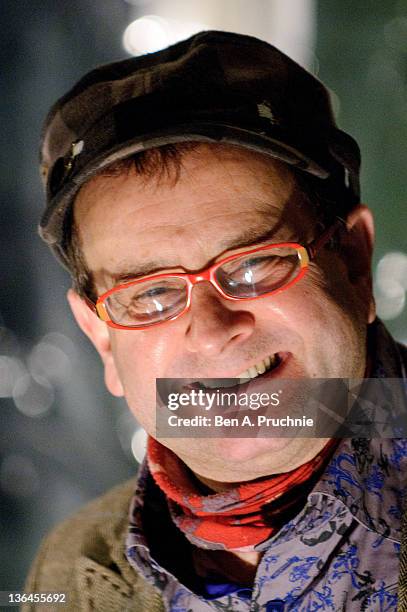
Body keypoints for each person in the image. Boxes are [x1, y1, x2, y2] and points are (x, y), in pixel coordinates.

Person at [24, 31, 407, 611]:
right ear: (101, 337)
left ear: (353, 262)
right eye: (149, 292)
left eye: (254, 264)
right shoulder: (73, 574)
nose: (209, 329)